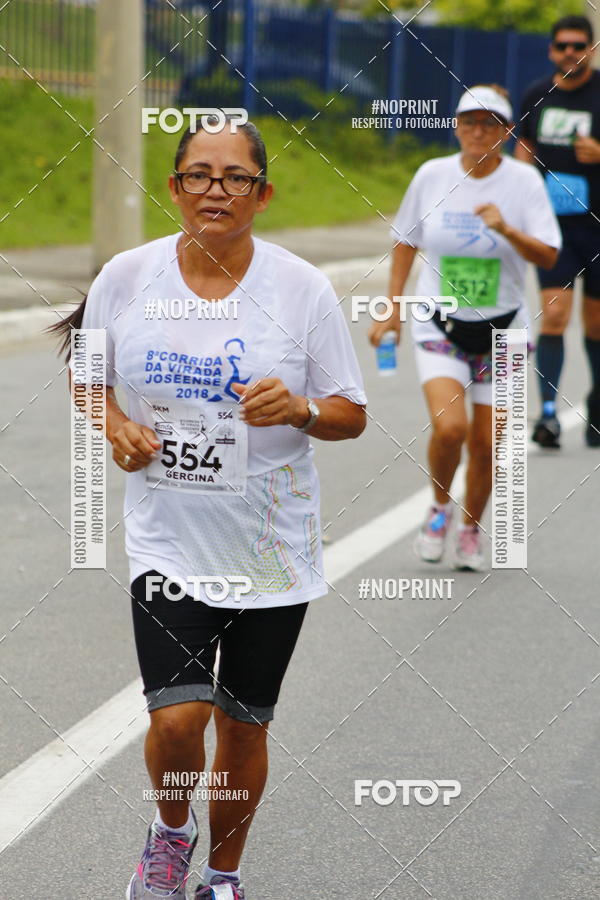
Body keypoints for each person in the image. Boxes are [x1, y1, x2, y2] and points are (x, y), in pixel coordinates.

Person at [51, 118, 366, 899]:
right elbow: (88, 373)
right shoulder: (129, 276)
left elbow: (351, 413)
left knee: (244, 724)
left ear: (263, 194)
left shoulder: (302, 289)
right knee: (176, 721)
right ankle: (170, 832)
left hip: (270, 549)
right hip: (169, 545)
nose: (215, 190)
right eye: (198, 174)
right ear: (174, 188)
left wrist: (298, 409)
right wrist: (115, 424)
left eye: (234, 178)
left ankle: (222, 876)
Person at [370, 85, 561, 571]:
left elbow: (550, 254)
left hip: (507, 331)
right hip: (441, 324)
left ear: (506, 132)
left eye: (490, 124)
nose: (479, 132)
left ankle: (471, 529)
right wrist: (391, 307)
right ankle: (438, 510)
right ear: (456, 127)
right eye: (470, 122)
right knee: (450, 428)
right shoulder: (432, 175)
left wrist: (507, 230)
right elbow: (405, 241)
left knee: (486, 442)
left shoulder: (524, 183)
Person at [516, 15, 600, 448]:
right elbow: (523, 155)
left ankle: (598, 408)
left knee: (596, 325)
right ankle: (547, 414)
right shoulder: (537, 95)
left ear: (590, 49)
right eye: (563, 45)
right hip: (555, 231)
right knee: (554, 314)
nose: (571, 52)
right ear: (552, 50)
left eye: (579, 45)